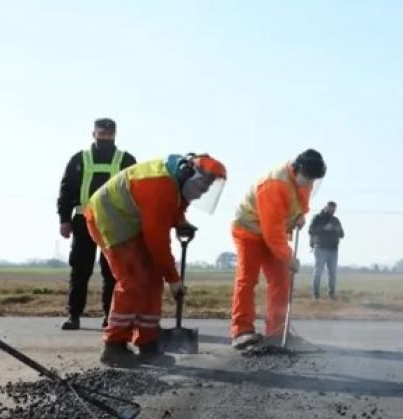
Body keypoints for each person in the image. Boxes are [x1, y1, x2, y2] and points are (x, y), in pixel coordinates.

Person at [83, 153, 227, 367]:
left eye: (208, 188)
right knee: (133, 280)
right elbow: (157, 239)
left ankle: (148, 343)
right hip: (110, 218)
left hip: (132, 220)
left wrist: (180, 221)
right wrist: (173, 278)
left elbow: (174, 207)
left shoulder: (175, 183)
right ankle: (114, 346)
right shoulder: (160, 186)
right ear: (190, 173)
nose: (204, 192)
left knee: (152, 280)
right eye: (203, 185)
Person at [229, 149, 327, 350]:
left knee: (281, 280)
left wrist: (298, 217)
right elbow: (271, 230)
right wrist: (288, 257)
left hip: (273, 234)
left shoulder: (305, 181)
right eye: (308, 178)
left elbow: (297, 204)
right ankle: (241, 331)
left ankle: (277, 331)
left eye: (313, 180)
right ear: (297, 168)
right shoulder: (274, 184)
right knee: (247, 279)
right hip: (249, 230)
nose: (309, 183)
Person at [56, 118, 137, 331]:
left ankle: (110, 316)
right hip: (84, 221)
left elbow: (135, 192)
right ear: (93, 134)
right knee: (80, 269)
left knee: (112, 270)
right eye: (102, 134)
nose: (105, 138)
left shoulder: (126, 160)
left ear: (115, 135)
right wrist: (64, 219)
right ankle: (74, 315)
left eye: (109, 135)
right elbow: (67, 190)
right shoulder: (80, 159)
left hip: (115, 222)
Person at [308, 201, 344, 299]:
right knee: (318, 272)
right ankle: (316, 294)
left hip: (333, 249)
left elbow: (342, 234)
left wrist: (337, 229)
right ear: (326, 207)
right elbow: (311, 230)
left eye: (334, 209)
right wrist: (324, 228)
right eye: (330, 208)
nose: (332, 211)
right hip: (320, 248)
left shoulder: (335, 220)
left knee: (332, 273)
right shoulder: (317, 218)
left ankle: (331, 294)